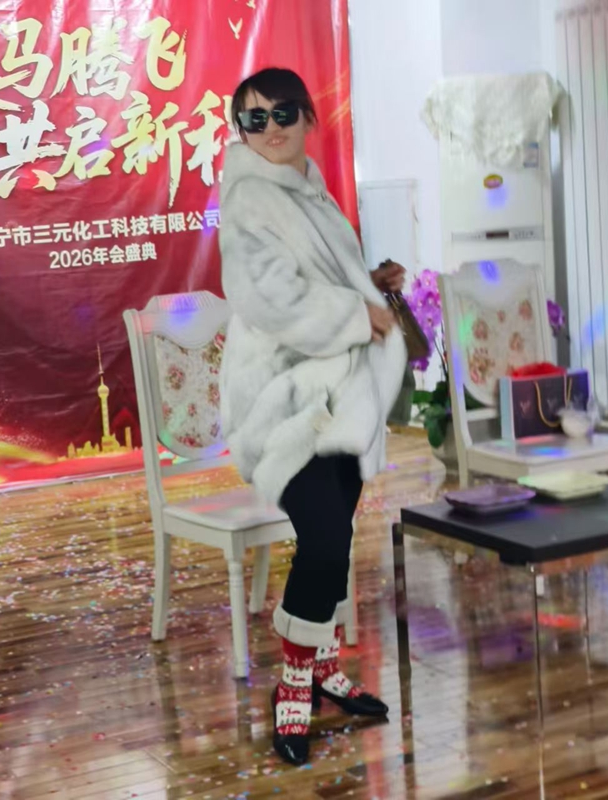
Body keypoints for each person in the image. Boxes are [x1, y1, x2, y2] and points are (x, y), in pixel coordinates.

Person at [218, 67, 408, 766]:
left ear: (308, 117)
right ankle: (294, 685)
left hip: (338, 394)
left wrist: (369, 285)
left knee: (334, 535)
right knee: (325, 538)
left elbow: (322, 279)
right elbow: (271, 299)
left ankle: (324, 666)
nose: (270, 128)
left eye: (282, 113)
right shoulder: (250, 196)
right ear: (241, 131)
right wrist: (357, 314)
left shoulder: (310, 189)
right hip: (283, 399)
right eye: (254, 118)